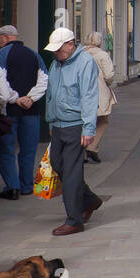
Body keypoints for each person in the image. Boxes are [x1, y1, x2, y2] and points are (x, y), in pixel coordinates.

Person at [43, 27, 103, 236]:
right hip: (58, 124)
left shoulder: (85, 63)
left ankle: (74, 220)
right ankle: (90, 200)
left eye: (59, 49)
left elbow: (89, 97)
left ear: (70, 44)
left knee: (71, 173)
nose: (55, 53)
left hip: (75, 125)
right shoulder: (55, 63)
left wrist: (88, 128)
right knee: (58, 165)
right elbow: (51, 94)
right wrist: (51, 122)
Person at [0, 24, 48, 195]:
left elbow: (0, 82)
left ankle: (13, 186)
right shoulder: (34, 54)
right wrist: (30, 98)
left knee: (6, 149)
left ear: (5, 37)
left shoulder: (0, 54)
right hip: (32, 111)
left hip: (10, 111)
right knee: (28, 150)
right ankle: (27, 186)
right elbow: (44, 78)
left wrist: (16, 99)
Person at [82, 31, 117, 163]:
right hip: (99, 91)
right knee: (102, 120)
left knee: (83, 121)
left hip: (82, 91)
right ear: (100, 41)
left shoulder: (80, 53)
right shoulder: (102, 55)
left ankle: (83, 152)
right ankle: (91, 147)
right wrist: (107, 83)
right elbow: (109, 75)